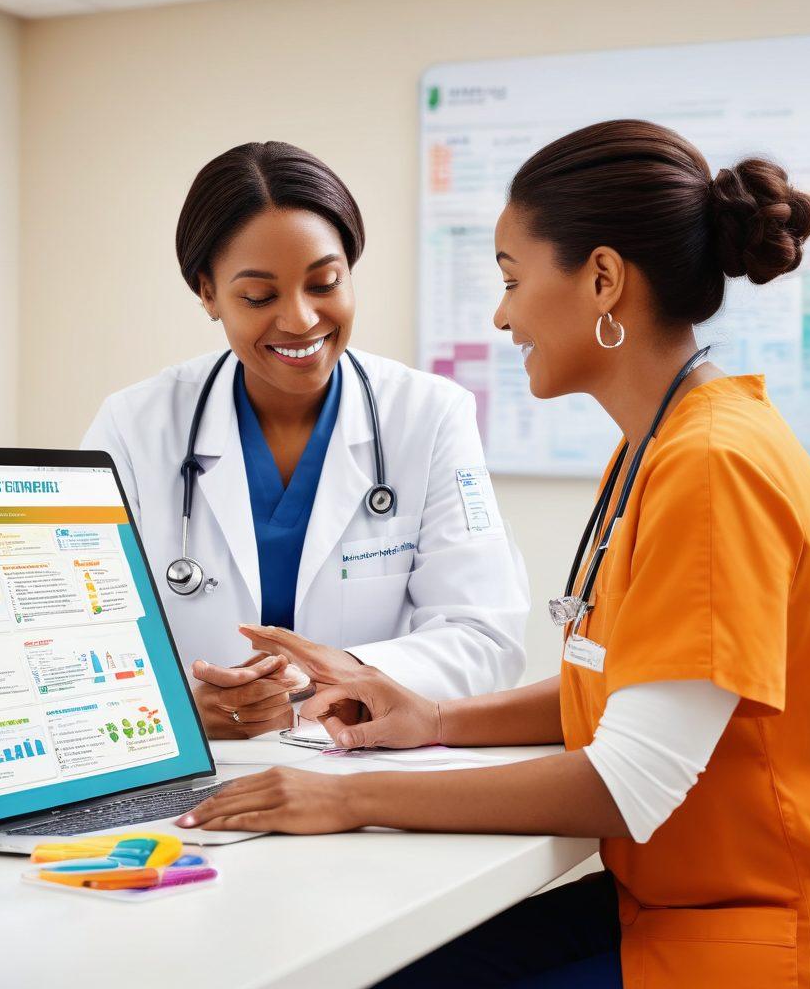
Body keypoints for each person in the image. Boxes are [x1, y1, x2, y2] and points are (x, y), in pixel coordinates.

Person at [179, 121, 810, 988]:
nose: (502, 314)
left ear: (603, 279)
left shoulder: (713, 464)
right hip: (668, 897)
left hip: (760, 931)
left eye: (512, 279)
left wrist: (343, 797)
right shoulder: (658, 448)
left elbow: (629, 781)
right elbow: (625, 684)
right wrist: (433, 721)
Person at [82, 141, 529, 739]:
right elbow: (76, 636)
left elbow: (484, 638)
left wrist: (344, 675)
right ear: (207, 294)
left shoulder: (430, 416)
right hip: (193, 772)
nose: (299, 319)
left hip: (366, 766)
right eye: (259, 296)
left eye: (325, 282)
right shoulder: (134, 427)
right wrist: (180, 707)